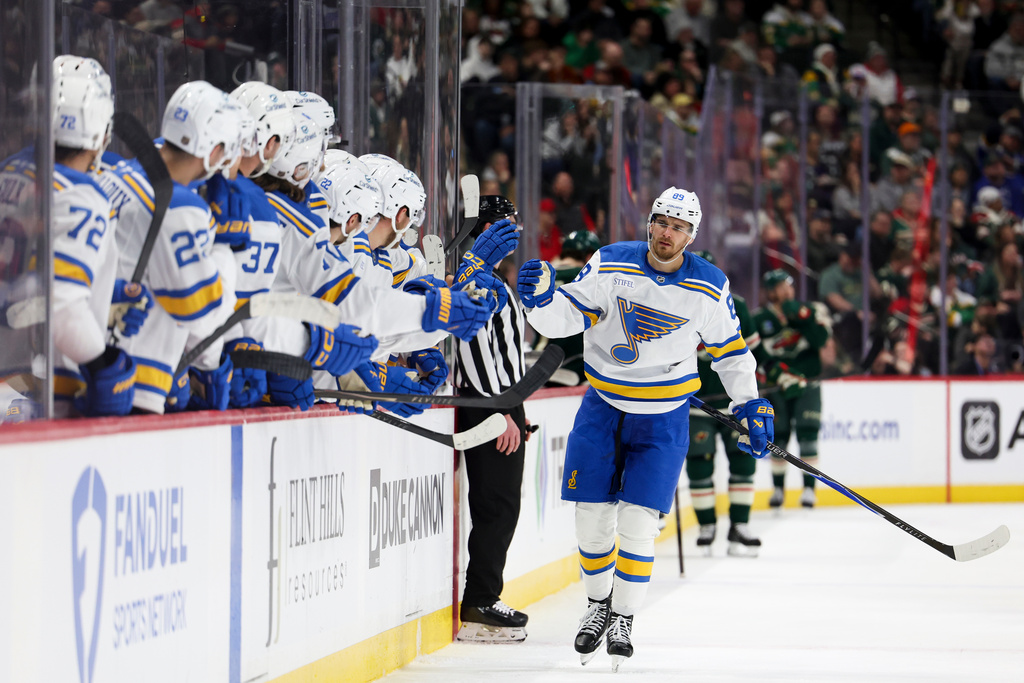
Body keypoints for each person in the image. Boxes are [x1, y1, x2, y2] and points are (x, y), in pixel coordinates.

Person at [517, 187, 773, 670]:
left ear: (691, 235)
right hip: (603, 405)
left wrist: (751, 403)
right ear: (650, 223)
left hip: (663, 416)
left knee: (638, 523)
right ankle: (597, 606)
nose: (666, 233)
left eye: (678, 227)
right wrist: (540, 301)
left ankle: (625, 617)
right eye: (661, 222)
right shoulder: (612, 262)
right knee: (591, 521)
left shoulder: (710, 286)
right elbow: (569, 316)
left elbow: (732, 352)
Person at [452, 194, 531, 643]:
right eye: (505, 225)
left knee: (500, 506)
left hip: (500, 403)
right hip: (489, 405)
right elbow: (475, 346)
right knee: (496, 506)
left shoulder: (491, 276)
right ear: (485, 230)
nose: (513, 232)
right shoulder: (477, 276)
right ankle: (481, 600)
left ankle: (484, 596)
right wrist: (501, 411)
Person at [685, 251, 765, 557]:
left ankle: (739, 525)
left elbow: (750, 354)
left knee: (742, 461)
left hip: (733, 404)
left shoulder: (736, 303)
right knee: (699, 464)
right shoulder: (673, 300)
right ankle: (707, 525)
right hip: (696, 403)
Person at [754, 270, 832, 508]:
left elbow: (821, 340)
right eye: (779, 286)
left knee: (808, 434)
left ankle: (809, 490)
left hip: (807, 382)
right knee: (779, 435)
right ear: (770, 291)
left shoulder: (812, 310)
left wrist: (804, 317)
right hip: (776, 384)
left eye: (789, 284)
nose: (786, 290)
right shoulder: (759, 318)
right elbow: (755, 352)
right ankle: (778, 490)